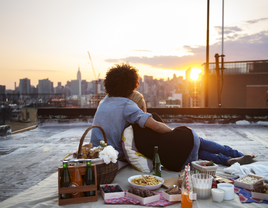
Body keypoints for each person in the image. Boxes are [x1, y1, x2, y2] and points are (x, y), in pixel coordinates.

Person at [91, 63, 254, 171]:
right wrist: (174, 134)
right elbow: (155, 125)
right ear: (131, 85)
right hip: (116, 154)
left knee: (196, 147)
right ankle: (233, 154)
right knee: (198, 142)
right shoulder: (127, 106)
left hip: (100, 150)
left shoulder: (104, 102)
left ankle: (226, 160)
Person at [127, 90, 255, 171]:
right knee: (200, 143)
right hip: (185, 140)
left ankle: (226, 161)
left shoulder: (132, 134)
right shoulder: (151, 117)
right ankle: (237, 154)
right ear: (143, 107)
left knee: (196, 153)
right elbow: (165, 131)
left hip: (177, 163)